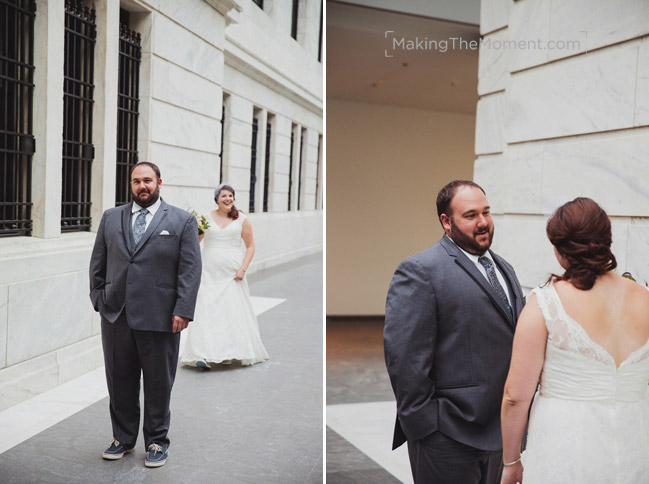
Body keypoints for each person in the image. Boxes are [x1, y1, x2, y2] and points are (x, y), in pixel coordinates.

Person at [384, 180, 526, 484]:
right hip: (447, 436)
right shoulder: (420, 271)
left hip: (499, 434)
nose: (483, 222)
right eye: (471, 215)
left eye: (486, 212)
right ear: (446, 222)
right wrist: (426, 427)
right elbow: (405, 359)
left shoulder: (504, 268)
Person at [500, 197, 649, 484]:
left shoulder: (546, 303)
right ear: (607, 240)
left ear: (559, 250)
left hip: (567, 447)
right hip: (635, 443)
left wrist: (511, 461)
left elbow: (515, 397)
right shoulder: (644, 299)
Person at [89, 162, 201, 468]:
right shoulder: (111, 218)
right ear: (131, 184)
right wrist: (99, 298)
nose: (142, 186)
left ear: (159, 182)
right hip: (116, 316)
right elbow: (98, 261)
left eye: (148, 180)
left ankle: (156, 441)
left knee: (158, 383)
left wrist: (183, 309)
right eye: (137, 181)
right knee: (119, 380)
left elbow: (190, 270)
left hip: (161, 318)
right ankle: (123, 438)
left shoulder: (182, 221)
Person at [181, 184, 269, 368]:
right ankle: (201, 354)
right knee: (207, 310)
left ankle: (227, 352)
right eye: (224, 196)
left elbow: (251, 246)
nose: (228, 199)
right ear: (217, 199)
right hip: (208, 271)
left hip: (232, 273)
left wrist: (243, 269)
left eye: (231, 195)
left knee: (229, 311)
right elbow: (197, 243)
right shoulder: (205, 218)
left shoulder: (242, 219)